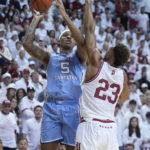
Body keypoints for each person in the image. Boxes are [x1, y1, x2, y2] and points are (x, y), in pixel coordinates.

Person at [22, 0, 87, 149]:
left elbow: (82, 41)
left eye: (72, 36)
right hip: (52, 107)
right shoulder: (49, 57)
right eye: (65, 35)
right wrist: (35, 19)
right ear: (58, 41)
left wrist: (64, 14)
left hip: (73, 107)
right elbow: (27, 44)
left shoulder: (81, 57)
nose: (70, 37)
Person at [75, 0, 130, 150]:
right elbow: (124, 97)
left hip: (90, 126)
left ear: (111, 55)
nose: (108, 49)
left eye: (110, 48)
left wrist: (88, 4)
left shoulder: (97, 63)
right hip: (110, 129)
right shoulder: (122, 75)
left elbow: (89, 30)